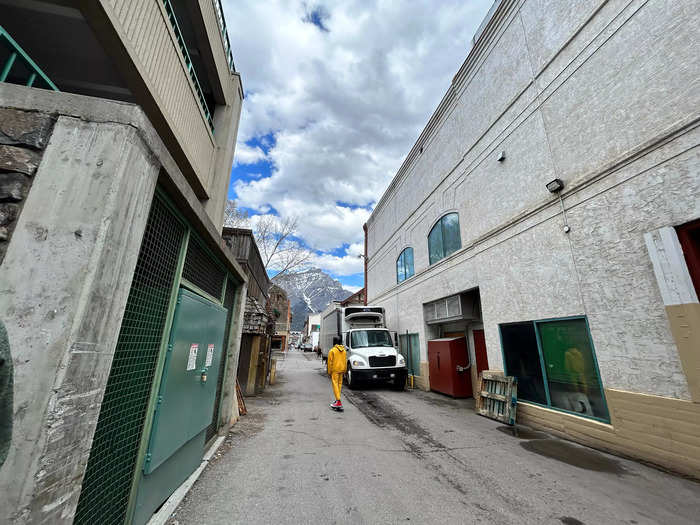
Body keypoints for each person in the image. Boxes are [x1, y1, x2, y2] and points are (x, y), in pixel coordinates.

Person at [327, 336, 347, 410]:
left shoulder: (332, 351)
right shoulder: (344, 351)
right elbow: (345, 361)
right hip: (341, 370)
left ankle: (338, 401)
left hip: (335, 370)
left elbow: (330, 363)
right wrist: (345, 370)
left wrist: (329, 372)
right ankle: (337, 399)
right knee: (339, 385)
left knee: (335, 384)